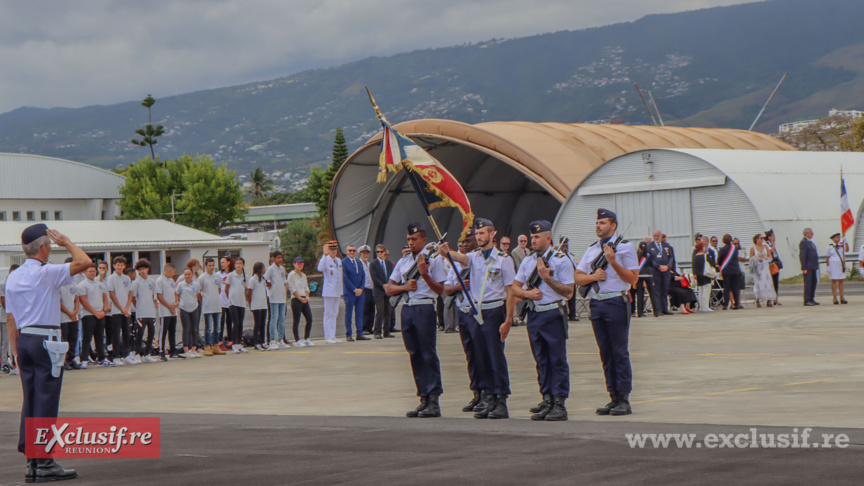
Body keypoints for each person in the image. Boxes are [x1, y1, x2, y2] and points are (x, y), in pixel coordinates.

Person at [7, 224, 89, 482]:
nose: (52, 249)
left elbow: (10, 317)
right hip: (46, 339)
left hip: (24, 339)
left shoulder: (14, 276)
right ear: (43, 248)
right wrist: (66, 241)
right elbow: (84, 261)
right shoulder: (48, 273)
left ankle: (32, 460)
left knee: (30, 399)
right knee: (46, 400)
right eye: (50, 246)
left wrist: (16, 350)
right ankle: (45, 461)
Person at [441, 218, 515, 419]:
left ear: (493, 235)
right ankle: (489, 398)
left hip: (494, 312)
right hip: (476, 312)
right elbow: (459, 258)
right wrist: (446, 252)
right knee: (481, 357)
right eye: (478, 234)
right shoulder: (474, 257)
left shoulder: (503, 259)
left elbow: (510, 291)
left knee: (495, 356)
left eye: (483, 233)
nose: (480, 237)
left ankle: (501, 399)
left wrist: (508, 319)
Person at [574, 210, 639, 417]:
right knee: (605, 353)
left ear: (614, 225)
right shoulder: (593, 249)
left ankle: (624, 399)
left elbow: (633, 279)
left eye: (602, 222)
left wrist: (613, 262)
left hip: (616, 301)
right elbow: (578, 277)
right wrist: (593, 276)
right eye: (597, 222)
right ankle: (612, 396)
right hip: (597, 304)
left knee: (619, 352)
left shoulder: (625, 247)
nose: (598, 226)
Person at [510, 220, 575, 421]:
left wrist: (547, 278)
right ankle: (547, 399)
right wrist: (528, 294)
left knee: (557, 360)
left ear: (548, 238)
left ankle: (559, 403)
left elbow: (569, 292)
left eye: (537, 237)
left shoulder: (561, 260)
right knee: (541, 360)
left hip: (553, 314)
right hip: (535, 314)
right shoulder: (528, 261)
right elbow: (515, 287)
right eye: (532, 237)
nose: (533, 240)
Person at [387, 222, 447, 418]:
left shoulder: (434, 261)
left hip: (425, 307)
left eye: (414, 239)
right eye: (408, 240)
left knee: (428, 353)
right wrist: (405, 288)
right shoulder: (404, 261)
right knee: (414, 353)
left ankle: (434, 400)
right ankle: (423, 396)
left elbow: (440, 289)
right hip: (408, 308)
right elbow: (388, 287)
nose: (410, 243)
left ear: (424, 240)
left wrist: (424, 274)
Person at [441, 229, 481, 411]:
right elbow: (446, 289)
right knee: (471, 356)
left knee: (483, 355)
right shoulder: (457, 266)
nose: (465, 244)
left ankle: (488, 393)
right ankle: (477, 393)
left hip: (478, 312)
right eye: (462, 242)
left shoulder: (479, 262)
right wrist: (458, 286)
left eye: (468, 241)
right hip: (463, 313)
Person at [77, 263, 110, 368]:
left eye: (94, 271)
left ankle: (101, 358)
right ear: (85, 272)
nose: (92, 273)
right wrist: (95, 312)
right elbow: (83, 300)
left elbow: (105, 297)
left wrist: (104, 310)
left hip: (101, 314)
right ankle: (84, 359)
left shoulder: (100, 283)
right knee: (87, 338)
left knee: (100, 337)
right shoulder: (82, 285)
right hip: (88, 315)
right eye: (90, 271)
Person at [106, 256, 136, 365]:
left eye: (121, 265)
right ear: (114, 266)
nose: (120, 267)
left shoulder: (127, 278)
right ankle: (116, 357)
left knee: (127, 333)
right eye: (118, 265)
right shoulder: (111, 278)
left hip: (126, 311)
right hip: (116, 311)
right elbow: (112, 294)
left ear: (124, 266)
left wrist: (127, 307)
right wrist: (121, 308)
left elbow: (130, 294)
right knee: (116, 334)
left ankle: (126, 355)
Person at [131, 259, 159, 362]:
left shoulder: (152, 282)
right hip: (141, 312)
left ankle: (147, 354)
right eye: (140, 269)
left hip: (151, 312)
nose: (142, 271)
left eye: (144, 269)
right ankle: (137, 353)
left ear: (148, 269)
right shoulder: (136, 283)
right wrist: (138, 307)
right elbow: (133, 298)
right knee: (140, 334)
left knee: (151, 333)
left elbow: (152, 296)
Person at [198, 258, 226, 356]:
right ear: (205, 266)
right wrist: (205, 300)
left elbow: (218, 290)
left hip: (217, 305)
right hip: (207, 306)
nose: (211, 267)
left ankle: (216, 346)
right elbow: (198, 292)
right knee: (209, 328)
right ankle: (207, 346)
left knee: (217, 328)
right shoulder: (202, 277)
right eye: (209, 265)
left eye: (213, 265)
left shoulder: (217, 276)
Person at [318, 241, 343, 344]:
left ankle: (333, 335)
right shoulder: (325, 260)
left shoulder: (338, 260)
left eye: (335, 249)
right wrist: (324, 255)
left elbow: (340, 277)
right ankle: (327, 336)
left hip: (337, 291)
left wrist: (341, 292)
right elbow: (320, 268)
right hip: (328, 291)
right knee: (328, 313)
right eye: (331, 249)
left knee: (334, 313)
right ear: (328, 250)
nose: (334, 251)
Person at [264, 250, 290, 350]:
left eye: (281, 258)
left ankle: (280, 340)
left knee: (282, 319)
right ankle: (272, 340)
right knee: (274, 318)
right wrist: (268, 285)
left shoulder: (282, 269)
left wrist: (285, 293)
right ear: (274, 259)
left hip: (282, 296)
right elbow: (265, 279)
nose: (280, 260)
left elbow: (284, 281)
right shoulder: (271, 269)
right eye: (278, 258)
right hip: (274, 297)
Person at [58, 258, 81, 370]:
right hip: (63, 317)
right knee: (64, 340)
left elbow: (76, 299)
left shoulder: (74, 284)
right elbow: (58, 302)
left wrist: (75, 312)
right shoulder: (60, 284)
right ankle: (64, 360)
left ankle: (71, 359)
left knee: (73, 338)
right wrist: (69, 312)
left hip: (73, 317)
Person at [342, 245, 368, 342]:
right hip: (349, 292)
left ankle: (360, 333)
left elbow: (363, 276)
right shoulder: (344, 262)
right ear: (347, 251)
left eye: (353, 250)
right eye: (350, 250)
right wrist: (354, 289)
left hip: (360, 293)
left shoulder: (358, 262)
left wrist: (361, 289)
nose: (352, 252)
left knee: (360, 313)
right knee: (349, 313)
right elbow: (345, 277)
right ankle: (349, 334)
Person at [176, 267, 203, 358]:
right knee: (186, 328)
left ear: (192, 275)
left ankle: (194, 348)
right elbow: (177, 293)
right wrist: (178, 302)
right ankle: (186, 349)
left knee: (194, 329)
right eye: (185, 274)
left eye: (189, 274)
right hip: (184, 309)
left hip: (194, 308)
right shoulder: (180, 285)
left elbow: (198, 295)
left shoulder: (196, 284)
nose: (187, 276)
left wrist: (198, 304)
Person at [224, 257, 249, 353]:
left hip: (241, 303)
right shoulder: (231, 275)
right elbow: (226, 289)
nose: (238, 265)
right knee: (236, 323)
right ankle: (234, 344)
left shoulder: (245, 276)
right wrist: (230, 298)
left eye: (240, 263)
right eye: (237, 263)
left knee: (240, 323)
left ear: (243, 265)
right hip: (233, 303)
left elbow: (245, 288)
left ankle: (239, 344)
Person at [288, 257, 314, 347]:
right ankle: (297, 340)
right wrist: (299, 298)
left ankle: (306, 338)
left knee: (309, 319)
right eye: (298, 264)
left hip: (304, 298)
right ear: (294, 264)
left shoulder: (303, 275)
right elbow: (292, 288)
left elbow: (306, 288)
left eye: (302, 264)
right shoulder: (291, 275)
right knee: (297, 320)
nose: (300, 265)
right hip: (296, 299)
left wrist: (307, 297)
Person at [156, 263, 180, 360]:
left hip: (173, 310)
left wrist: (176, 302)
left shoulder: (171, 280)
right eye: (173, 272)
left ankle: (173, 351)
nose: (174, 274)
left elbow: (175, 292)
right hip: (165, 310)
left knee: (172, 330)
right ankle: (161, 351)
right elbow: (159, 295)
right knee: (163, 331)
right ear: (169, 271)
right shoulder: (160, 280)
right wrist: (168, 306)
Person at [370, 244, 395, 339]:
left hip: (388, 290)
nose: (379, 254)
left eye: (381, 252)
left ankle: (387, 331)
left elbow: (392, 275)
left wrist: (390, 285)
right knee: (380, 311)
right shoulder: (373, 264)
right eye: (378, 252)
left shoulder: (388, 263)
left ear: (384, 252)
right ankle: (377, 331)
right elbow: (374, 277)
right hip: (379, 290)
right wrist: (382, 284)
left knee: (388, 310)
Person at [648, 230, 675, 315]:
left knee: (664, 290)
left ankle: (665, 308)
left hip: (666, 271)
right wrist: (658, 266)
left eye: (657, 236)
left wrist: (668, 266)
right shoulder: (650, 246)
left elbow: (671, 257)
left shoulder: (667, 246)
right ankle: (658, 309)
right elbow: (650, 259)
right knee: (657, 290)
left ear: (660, 236)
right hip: (656, 271)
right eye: (654, 236)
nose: (656, 237)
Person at [749, 234, 777, 308]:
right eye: (761, 238)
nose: (762, 239)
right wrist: (757, 258)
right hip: (758, 268)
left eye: (763, 238)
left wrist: (767, 257)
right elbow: (751, 259)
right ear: (756, 239)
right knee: (759, 283)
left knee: (767, 282)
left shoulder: (765, 246)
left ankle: (769, 299)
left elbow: (770, 255)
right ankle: (758, 299)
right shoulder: (753, 248)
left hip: (765, 267)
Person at [633, 240, 659, 317]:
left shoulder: (637, 254)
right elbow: (652, 264)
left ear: (639, 248)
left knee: (640, 294)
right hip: (649, 274)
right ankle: (656, 312)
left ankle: (639, 313)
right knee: (652, 293)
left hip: (640, 274)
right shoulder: (649, 254)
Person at [247, 262, 269, 350]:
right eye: (263, 268)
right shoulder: (253, 279)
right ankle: (256, 343)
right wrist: (250, 305)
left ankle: (263, 342)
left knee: (263, 324)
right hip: (256, 305)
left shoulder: (263, 279)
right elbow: (249, 294)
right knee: (258, 323)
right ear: (259, 269)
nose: (265, 270)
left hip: (263, 304)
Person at [718, 235, 743, 310]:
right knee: (735, 287)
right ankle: (737, 304)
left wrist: (721, 265)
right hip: (736, 270)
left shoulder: (722, 249)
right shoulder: (735, 248)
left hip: (727, 271)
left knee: (727, 288)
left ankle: (726, 304)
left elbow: (719, 261)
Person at [691, 240, 715, 312]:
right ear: (702, 248)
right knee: (706, 291)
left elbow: (694, 267)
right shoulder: (706, 256)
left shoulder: (695, 256)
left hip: (698, 275)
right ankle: (705, 306)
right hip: (706, 275)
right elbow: (712, 264)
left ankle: (701, 306)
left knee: (700, 291)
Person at [560, 238, 579, 322]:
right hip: (563, 280)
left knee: (572, 298)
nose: (565, 247)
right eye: (563, 245)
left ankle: (572, 314)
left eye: (566, 245)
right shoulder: (559, 256)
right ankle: (565, 313)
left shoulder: (570, 255)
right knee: (565, 298)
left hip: (572, 280)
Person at [799, 228, 820, 306]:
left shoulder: (810, 242)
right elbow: (803, 255)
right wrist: (804, 267)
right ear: (807, 234)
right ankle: (807, 300)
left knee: (813, 282)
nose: (812, 234)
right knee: (808, 283)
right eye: (811, 233)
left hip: (813, 266)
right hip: (808, 266)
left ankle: (811, 298)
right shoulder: (804, 242)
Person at [826, 233, 848, 305]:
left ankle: (842, 297)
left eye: (839, 237)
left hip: (840, 265)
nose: (838, 239)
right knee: (834, 280)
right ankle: (835, 298)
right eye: (837, 237)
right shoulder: (830, 246)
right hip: (833, 265)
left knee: (841, 281)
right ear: (833, 238)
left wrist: (845, 241)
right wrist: (828, 266)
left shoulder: (841, 245)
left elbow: (847, 250)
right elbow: (827, 257)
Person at [359, 245, 376, 336]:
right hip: (364, 288)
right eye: (364, 253)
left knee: (371, 309)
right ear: (360, 254)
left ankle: (370, 327)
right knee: (364, 309)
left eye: (367, 253)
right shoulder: (359, 264)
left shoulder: (370, 264)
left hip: (371, 288)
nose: (365, 255)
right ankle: (364, 327)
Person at [765, 230, 782, 306]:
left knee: (775, 282)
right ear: (769, 237)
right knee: (771, 282)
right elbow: (772, 250)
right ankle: (770, 299)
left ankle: (776, 298)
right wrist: (772, 243)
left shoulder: (772, 244)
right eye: (772, 236)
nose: (774, 237)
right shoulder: (767, 245)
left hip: (775, 264)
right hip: (770, 265)